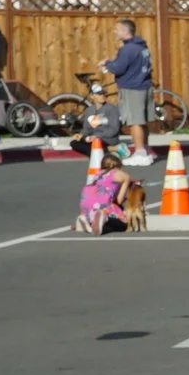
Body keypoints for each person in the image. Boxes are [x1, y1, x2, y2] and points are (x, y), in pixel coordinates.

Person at [104, 19, 155, 165]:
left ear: (125, 31)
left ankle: (139, 153)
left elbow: (118, 68)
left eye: (116, 29)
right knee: (142, 121)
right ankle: (145, 150)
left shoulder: (127, 49)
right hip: (145, 86)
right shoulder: (142, 47)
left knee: (135, 122)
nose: (114, 32)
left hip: (132, 88)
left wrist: (107, 63)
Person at [75, 150, 132, 233]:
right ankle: (105, 219)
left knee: (97, 221)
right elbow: (119, 200)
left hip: (86, 206)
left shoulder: (97, 174)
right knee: (123, 225)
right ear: (119, 164)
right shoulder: (124, 175)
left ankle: (88, 221)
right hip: (103, 206)